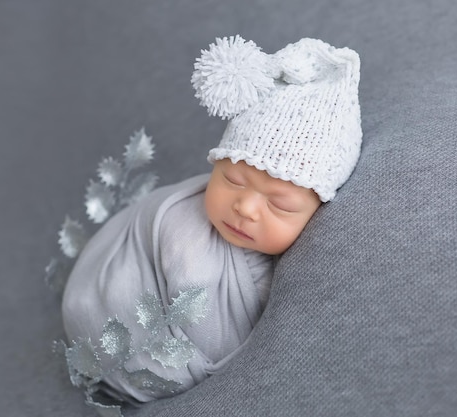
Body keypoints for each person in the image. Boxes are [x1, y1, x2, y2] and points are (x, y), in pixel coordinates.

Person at [60, 35, 362, 408]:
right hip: (104, 308)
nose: (246, 208)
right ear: (214, 166)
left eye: (280, 205)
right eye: (232, 181)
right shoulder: (185, 229)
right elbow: (209, 320)